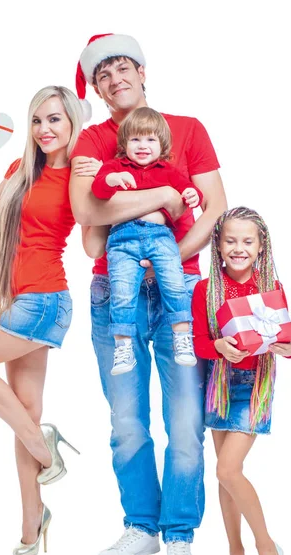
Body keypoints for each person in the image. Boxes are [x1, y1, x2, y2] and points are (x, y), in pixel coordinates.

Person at [69, 33, 227, 555]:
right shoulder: (89, 139)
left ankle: (180, 533)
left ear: (142, 70)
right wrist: (161, 198)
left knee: (186, 421)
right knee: (127, 421)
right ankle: (142, 526)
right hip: (115, 296)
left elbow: (214, 210)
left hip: (178, 293)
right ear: (96, 88)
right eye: (102, 75)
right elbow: (87, 213)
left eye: (122, 68)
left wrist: (162, 262)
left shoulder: (187, 130)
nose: (115, 81)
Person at [0, 86, 85, 555]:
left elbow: (95, 227)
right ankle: (33, 523)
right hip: (25, 299)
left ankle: (44, 449)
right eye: (36, 121)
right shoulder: (22, 169)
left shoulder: (77, 174)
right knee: (23, 412)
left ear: (72, 123)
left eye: (54, 120)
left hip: (42, 300)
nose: (44, 129)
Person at [192, 206, 291, 555]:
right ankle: (235, 552)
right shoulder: (207, 289)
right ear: (218, 244)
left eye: (247, 241)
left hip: (253, 387)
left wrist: (288, 348)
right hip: (220, 384)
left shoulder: (270, 287)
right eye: (231, 241)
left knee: (225, 470)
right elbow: (201, 342)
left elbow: (290, 341)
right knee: (225, 475)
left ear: (260, 246)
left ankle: (267, 549)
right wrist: (218, 344)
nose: (238, 248)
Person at [91, 106, 203, 375]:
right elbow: (97, 189)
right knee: (122, 292)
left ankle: (182, 336)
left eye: (150, 140)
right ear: (124, 144)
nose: (143, 146)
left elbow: (188, 192)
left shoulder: (168, 171)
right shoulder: (115, 167)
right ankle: (123, 347)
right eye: (136, 140)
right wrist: (112, 178)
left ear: (162, 145)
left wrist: (191, 194)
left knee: (174, 283)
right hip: (122, 241)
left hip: (160, 237)